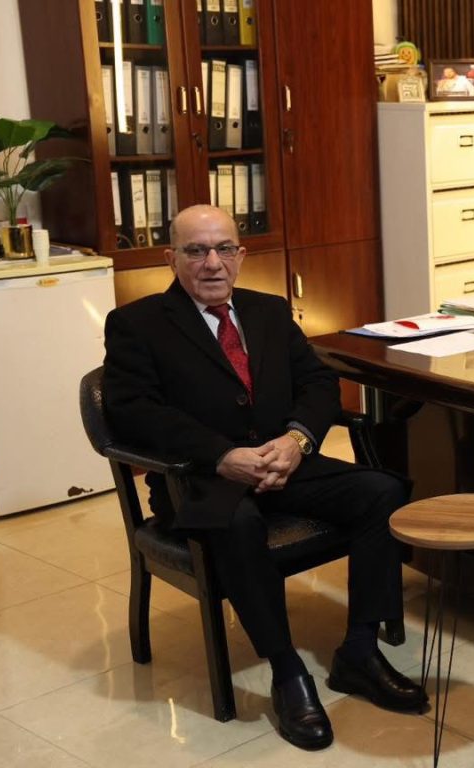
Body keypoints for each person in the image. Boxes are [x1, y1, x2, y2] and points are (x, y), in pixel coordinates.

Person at [102, 205, 426, 751]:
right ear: (171, 258)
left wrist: (297, 441)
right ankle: (286, 671)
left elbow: (319, 384)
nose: (212, 263)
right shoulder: (137, 324)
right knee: (239, 523)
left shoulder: (270, 310)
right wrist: (221, 455)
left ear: (241, 255)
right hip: (200, 480)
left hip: (284, 464)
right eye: (196, 251)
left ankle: (360, 650)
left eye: (224, 249)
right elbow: (132, 412)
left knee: (382, 491)